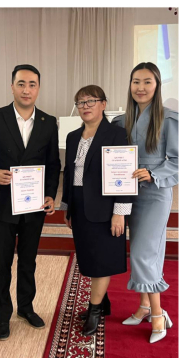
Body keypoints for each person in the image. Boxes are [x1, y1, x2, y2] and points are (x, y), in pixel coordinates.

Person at [0, 64, 61, 340]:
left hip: (33, 206)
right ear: (12, 86)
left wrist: (50, 194)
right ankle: (3, 316)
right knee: (1, 263)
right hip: (2, 206)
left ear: (39, 88)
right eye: (21, 84)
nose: (27, 90)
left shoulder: (48, 122)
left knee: (28, 261)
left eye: (32, 84)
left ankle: (26, 307)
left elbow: (53, 163)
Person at [112, 62, 178, 343]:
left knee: (143, 252)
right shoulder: (120, 121)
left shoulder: (169, 119)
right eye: (136, 81)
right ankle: (143, 307)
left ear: (157, 85)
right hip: (127, 192)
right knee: (138, 249)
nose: (140, 87)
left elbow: (178, 160)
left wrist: (153, 173)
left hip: (155, 193)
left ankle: (158, 314)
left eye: (147, 82)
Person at [60, 85, 131, 336]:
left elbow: (124, 174)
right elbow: (69, 173)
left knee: (102, 258)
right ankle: (104, 302)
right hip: (79, 204)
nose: (86, 106)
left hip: (105, 206)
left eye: (91, 101)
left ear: (103, 104)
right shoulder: (72, 137)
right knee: (89, 256)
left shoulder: (117, 134)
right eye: (81, 102)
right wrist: (67, 206)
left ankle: (94, 310)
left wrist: (120, 211)